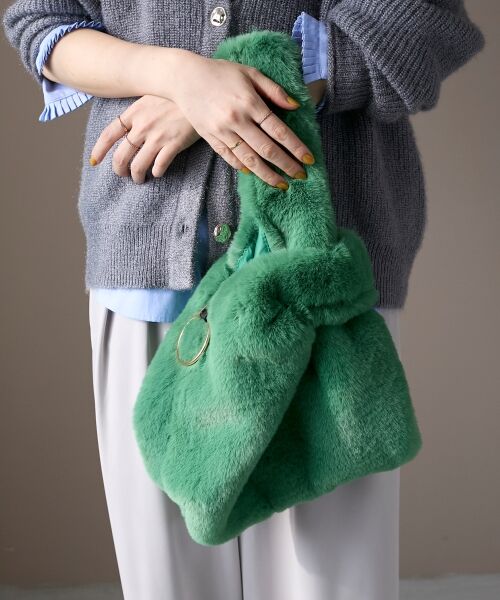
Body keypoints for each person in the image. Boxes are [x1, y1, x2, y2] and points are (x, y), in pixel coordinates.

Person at [2, 2, 484, 599]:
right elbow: (44, 23)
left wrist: (234, 92)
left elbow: (421, 15)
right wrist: (181, 77)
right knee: (170, 583)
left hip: (321, 272)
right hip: (148, 259)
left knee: (324, 583)